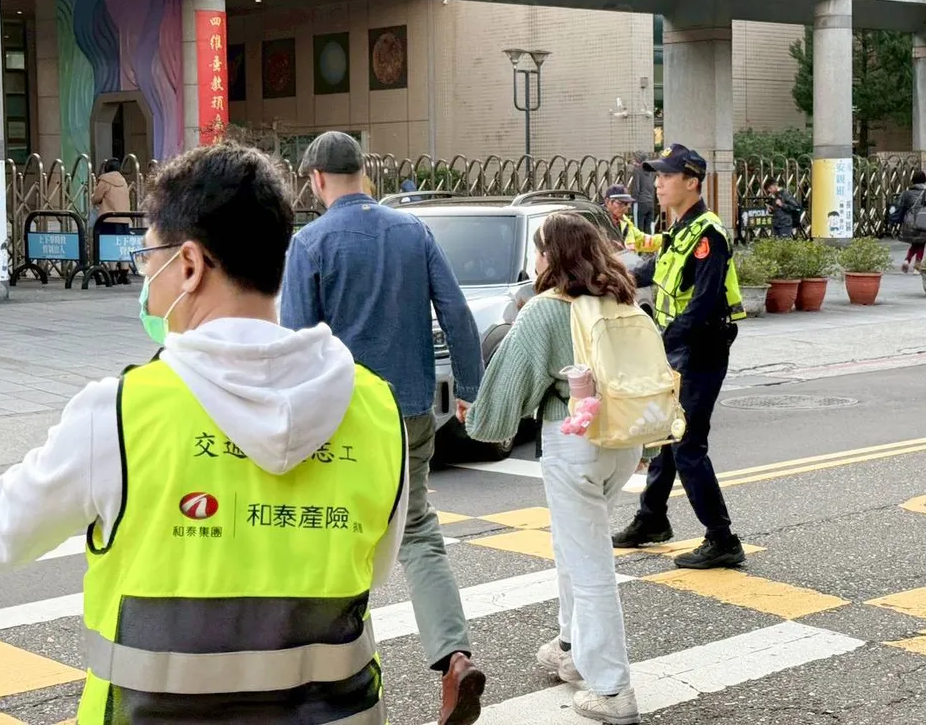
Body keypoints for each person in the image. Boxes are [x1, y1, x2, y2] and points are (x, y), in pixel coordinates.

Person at [0, 143, 409, 723]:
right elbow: (371, 569)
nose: (144, 275)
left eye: (148, 257)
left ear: (192, 265)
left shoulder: (120, 413)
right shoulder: (376, 409)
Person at [280, 131, 487, 725]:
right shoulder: (413, 232)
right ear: (363, 173)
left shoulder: (310, 243)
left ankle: (329, 678)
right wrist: (470, 389)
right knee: (418, 530)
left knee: (331, 535)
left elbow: (297, 342)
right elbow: (457, 312)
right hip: (412, 410)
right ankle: (453, 658)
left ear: (316, 179)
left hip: (341, 417)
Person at [466, 212, 643, 725]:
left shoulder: (546, 310)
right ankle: (570, 647)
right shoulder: (620, 297)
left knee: (590, 566)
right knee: (575, 544)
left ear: (551, 256)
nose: (536, 258)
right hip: (623, 442)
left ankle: (613, 690)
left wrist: (479, 419)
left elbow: (509, 384)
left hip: (576, 443)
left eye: (539, 249)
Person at [611, 143, 747, 570]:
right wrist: (611, 278)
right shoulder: (680, 231)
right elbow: (652, 270)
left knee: (687, 443)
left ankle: (722, 539)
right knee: (665, 436)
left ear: (692, 182)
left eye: (667, 176)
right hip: (678, 349)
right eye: (657, 175)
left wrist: (662, 340)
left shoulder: (709, 234)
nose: (659, 183)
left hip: (701, 349)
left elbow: (704, 303)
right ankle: (652, 520)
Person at [896, 170, 926, 273]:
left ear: (913, 181)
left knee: (915, 243)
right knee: (921, 243)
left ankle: (907, 260)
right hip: (923, 222)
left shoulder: (906, 194)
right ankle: (917, 267)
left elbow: (900, 208)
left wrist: (899, 222)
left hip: (909, 223)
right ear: (924, 181)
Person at [604, 185, 661, 253]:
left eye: (627, 204)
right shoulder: (597, 222)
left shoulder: (626, 224)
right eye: (620, 203)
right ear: (607, 202)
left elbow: (642, 240)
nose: (625, 209)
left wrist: (667, 239)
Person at [629, 151, 657, 232]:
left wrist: (632, 202)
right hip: (650, 203)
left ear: (638, 160)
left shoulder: (637, 170)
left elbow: (636, 189)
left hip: (640, 203)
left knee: (638, 228)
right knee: (649, 228)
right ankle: (650, 244)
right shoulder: (652, 172)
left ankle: (639, 245)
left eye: (634, 159)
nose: (633, 162)